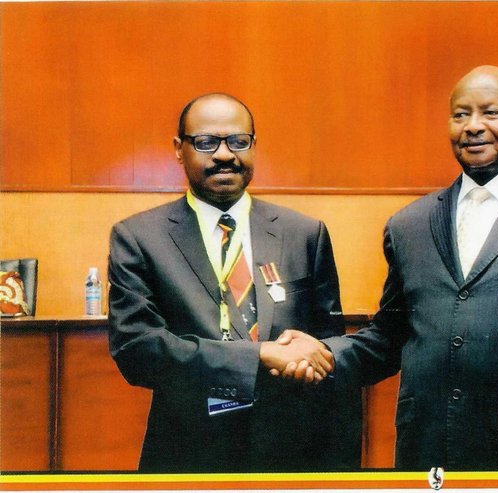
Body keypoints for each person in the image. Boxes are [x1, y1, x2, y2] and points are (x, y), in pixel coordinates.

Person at [280, 66, 498, 469]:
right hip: (429, 459)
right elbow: (390, 336)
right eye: (461, 114)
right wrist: (322, 353)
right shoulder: (407, 225)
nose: (473, 126)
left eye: (490, 112)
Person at [107, 93, 360, 472]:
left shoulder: (305, 234)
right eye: (206, 142)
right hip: (190, 453)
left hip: (290, 453)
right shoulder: (139, 237)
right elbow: (138, 351)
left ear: (254, 146)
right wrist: (258, 356)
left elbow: (326, 347)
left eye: (238, 142)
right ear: (179, 149)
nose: (225, 155)